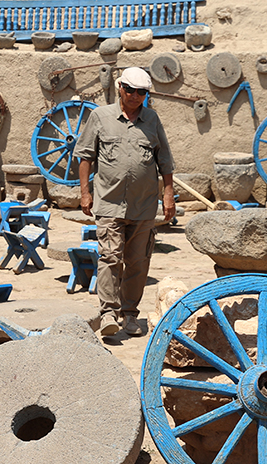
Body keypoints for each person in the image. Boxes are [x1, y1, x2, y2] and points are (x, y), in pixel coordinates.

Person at [75, 66, 175, 338]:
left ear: (146, 94)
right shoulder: (100, 117)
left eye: (141, 92)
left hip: (143, 206)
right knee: (109, 257)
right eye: (129, 90)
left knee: (138, 262)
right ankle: (108, 312)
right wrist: (86, 193)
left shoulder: (152, 120)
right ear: (120, 87)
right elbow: (85, 157)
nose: (134, 96)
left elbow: (164, 160)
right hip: (109, 202)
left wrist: (168, 194)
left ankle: (129, 315)